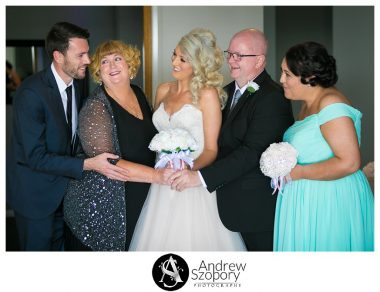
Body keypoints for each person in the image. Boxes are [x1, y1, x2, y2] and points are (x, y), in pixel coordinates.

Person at [7, 22, 130, 251]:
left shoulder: (79, 83)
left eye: (88, 53)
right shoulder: (31, 93)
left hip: (66, 195)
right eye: (80, 54)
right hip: (36, 197)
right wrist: (88, 164)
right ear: (58, 56)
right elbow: (35, 157)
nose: (88, 60)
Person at [169, 28, 294, 251]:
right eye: (230, 54)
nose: (232, 61)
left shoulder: (273, 97)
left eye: (240, 56)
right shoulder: (222, 93)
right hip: (220, 206)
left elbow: (253, 152)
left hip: (255, 210)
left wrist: (201, 177)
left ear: (259, 60)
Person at [129, 28, 247, 251]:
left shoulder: (207, 95)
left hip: (192, 182)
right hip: (162, 181)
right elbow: (157, 136)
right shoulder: (163, 90)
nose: (175, 62)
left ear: (197, 63)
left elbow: (211, 149)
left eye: (183, 59)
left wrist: (190, 172)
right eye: (174, 55)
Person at [64, 40, 174, 251]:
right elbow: (110, 165)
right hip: (104, 208)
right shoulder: (95, 106)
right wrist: (158, 176)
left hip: (140, 194)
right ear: (98, 71)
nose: (112, 66)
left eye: (117, 59)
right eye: (104, 62)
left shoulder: (138, 92)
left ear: (129, 65)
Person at [274, 41, 374, 251]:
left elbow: (349, 162)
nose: (281, 80)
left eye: (287, 74)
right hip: (308, 198)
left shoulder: (331, 105)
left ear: (309, 77)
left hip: (331, 200)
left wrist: (298, 173)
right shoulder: (307, 105)